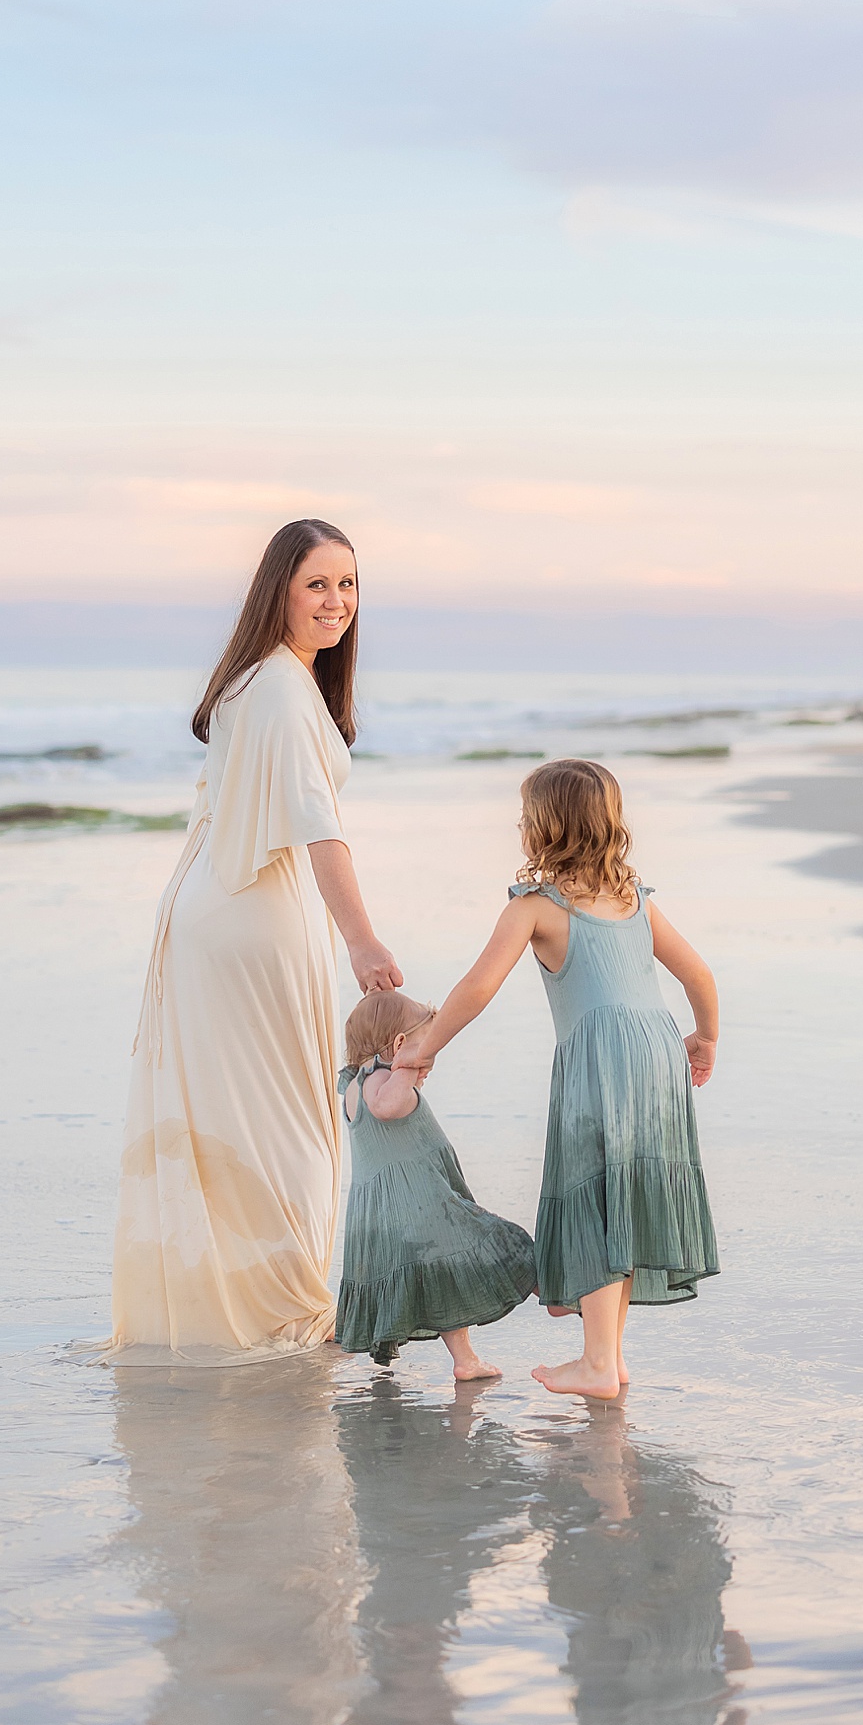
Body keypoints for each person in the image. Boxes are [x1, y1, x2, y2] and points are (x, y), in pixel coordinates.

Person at [105, 519, 404, 1365]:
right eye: (317, 584)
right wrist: (362, 940)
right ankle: (283, 1310)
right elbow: (317, 825)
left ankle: (248, 1304)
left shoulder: (259, 680)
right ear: (278, 588)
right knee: (289, 1128)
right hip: (251, 917)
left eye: (348, 585)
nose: (336, 603)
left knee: (250, 1120)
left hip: (213, 908)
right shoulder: (278, 686)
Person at [396, 758, 718, 1400]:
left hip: (598, 1060)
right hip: (656, 1052)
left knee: (596, 1199)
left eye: (524, 818)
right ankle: (610, 1359)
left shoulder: (535, 908)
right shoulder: (635, 901)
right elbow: (699, 977)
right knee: (623, 1195)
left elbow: (478, 987)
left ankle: (598, 1364)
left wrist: (424, 1046)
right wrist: (704, 1039)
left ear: (543, 830)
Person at [334, 989, 536, 1382]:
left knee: (441, 1280)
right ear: (399, 1046)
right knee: (505, 1243)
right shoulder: (377, 1081)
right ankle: (568, 1293)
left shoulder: (357, 1083)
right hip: (420, 1207)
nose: (430, 1061)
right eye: (427, 1048)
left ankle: (465, 1360)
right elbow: (387, 1106)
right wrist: (408, 1068)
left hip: (393, 1214)